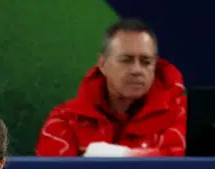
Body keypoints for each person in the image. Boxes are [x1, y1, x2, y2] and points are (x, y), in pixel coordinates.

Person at [35, 19, 186, 158]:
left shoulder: (182, 113)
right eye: (126, 60)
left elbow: (187, 167)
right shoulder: (65, 120)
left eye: (146, 62)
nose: (137, 70)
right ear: (102, 64)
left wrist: (123, 155)